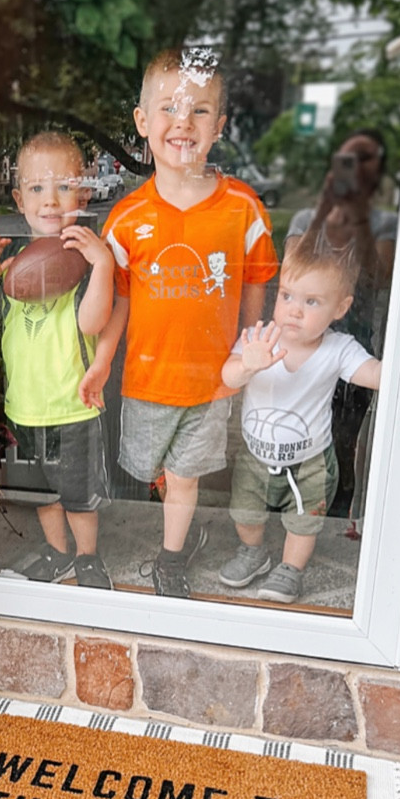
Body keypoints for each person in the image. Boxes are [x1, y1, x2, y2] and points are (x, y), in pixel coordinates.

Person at [78, 47, 278, 597]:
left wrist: (245, 347)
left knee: (186, 478)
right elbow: (120, 300)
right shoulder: (128, 218)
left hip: (210, 383)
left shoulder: (242, 209)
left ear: (220, 125)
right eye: (168, 108)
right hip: (148, 381)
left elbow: (256, 280)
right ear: (143, 122)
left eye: (199, 110)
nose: (183, 122)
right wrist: (101, 362)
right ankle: (178, 519)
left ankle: (170, 558)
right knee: (153, 472)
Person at [0, 131, 116, 588]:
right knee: (42, 493)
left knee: (78, 494)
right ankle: (59, 552)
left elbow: (92, 322)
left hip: (73, 406)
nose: (50, 200)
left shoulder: (86, 260)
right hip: (25, 406)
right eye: (36, 188)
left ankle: (87, 556)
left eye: (63, 186)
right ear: (19, 199)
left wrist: (103, 266)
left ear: (84, 194)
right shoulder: (14, 263)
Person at [218, 246, 382, 604]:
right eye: (287, 296)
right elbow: (228, 377)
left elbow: (374, 375)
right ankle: (253, 552)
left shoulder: (339, 349)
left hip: (310, 462)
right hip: (255, 456)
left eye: (312, 302)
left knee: (304, 522)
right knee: (245, 512)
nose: (294, 310)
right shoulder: (258, 339)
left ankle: (291, 569)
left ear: (340, 308)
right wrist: (247, 365)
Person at [285, 128, 397, 525]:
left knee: (345, 429)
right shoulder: (306, 218)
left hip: (355, 343)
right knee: (298, 418)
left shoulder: (383, 223)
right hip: (304, 341)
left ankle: (336, 504)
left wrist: (360, 223)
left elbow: (381, 276)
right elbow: (292, 270)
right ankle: (288, 493)